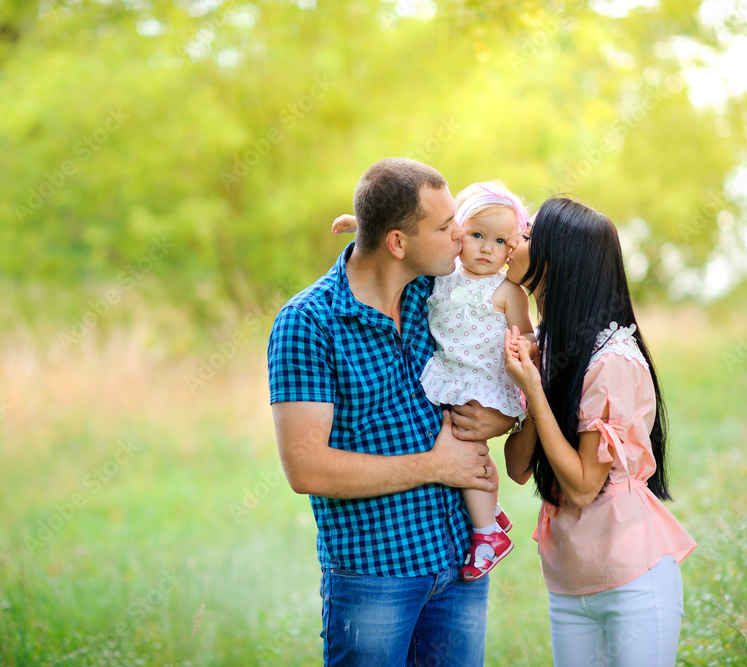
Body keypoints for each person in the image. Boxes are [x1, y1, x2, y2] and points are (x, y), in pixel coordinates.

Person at [267, 157, 518, 666]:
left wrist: (505, 417)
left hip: (460, 564)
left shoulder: (434, 291)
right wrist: (437, 466)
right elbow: (306, 468)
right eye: (446, 227)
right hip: (375, 575)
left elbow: (514, 260)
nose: (460, 235)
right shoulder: (308, 323)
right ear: (398, 243)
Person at [500, 196, 697, 667]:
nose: (510, 243)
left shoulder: (613, 361)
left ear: (557, 257)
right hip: (569, 584)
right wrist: (536, 383)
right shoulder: (550, 346)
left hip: (633, 580)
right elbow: (518, 468)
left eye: (525, 236)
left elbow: (585, 486)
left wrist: (535, 390)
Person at [332, 180, 535, 581]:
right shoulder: (443, 274)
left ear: (510, 249)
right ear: (459, 234)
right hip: (450, 374)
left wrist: (524, 349)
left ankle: (487, 533)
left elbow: (527, 335)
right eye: (476, 236)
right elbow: (406, 238)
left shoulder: (508, 291)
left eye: (499, 241)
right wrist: (361, 224)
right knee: (461, 442)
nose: (486, 249)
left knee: (466, 443)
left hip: (483, 380)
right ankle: (489, 510)